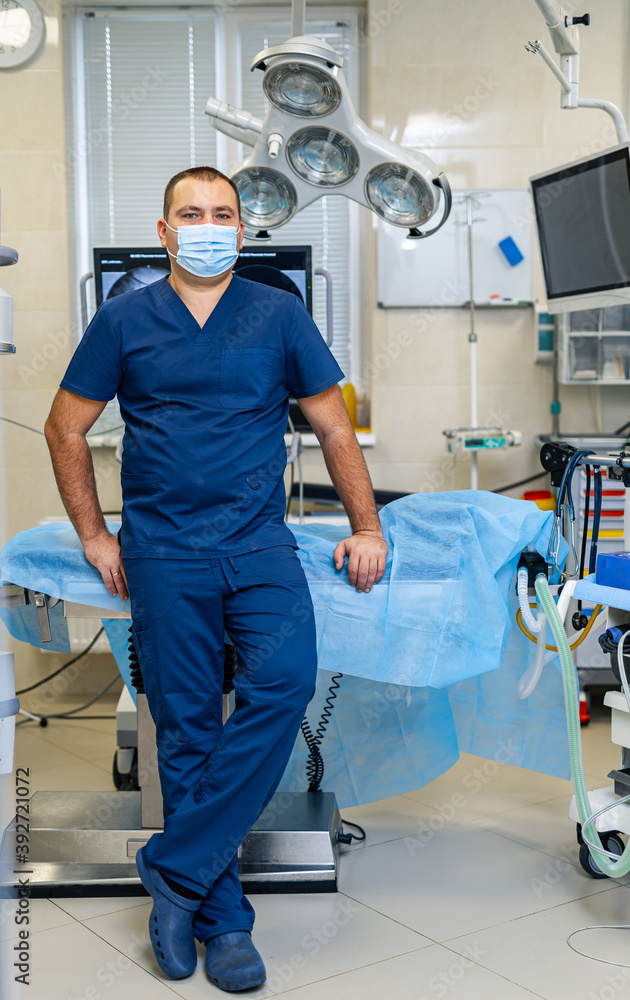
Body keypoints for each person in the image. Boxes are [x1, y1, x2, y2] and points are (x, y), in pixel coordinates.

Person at [44, 166, 387, 992]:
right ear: (163, 231)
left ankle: (173, 867)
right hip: (164, 552)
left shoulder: (278, 312)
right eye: (189, 213)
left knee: (283, 682)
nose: (207, 224)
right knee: (186, 725)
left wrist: (367, 526)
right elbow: (65, 426)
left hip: (257, 545)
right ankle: (222, 916)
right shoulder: (125, 319)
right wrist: (94, 532)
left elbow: (334, 428)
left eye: (222, 213)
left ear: (242, 228)